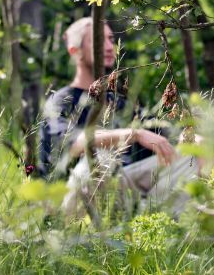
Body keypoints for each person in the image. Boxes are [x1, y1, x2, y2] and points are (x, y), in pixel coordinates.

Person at [37, 16, 198, 217]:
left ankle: (160, 226)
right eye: (98, 40)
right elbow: (73, 145)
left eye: (110, 39)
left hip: (123, 188)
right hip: (74, 198)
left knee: (190, 155)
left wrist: (189, 140)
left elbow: (158, 136)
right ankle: (82, 233)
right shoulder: (61, 101)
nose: (107, 47)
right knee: (99, 156)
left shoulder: (120, 100)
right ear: (75, 51)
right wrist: (135, 134)